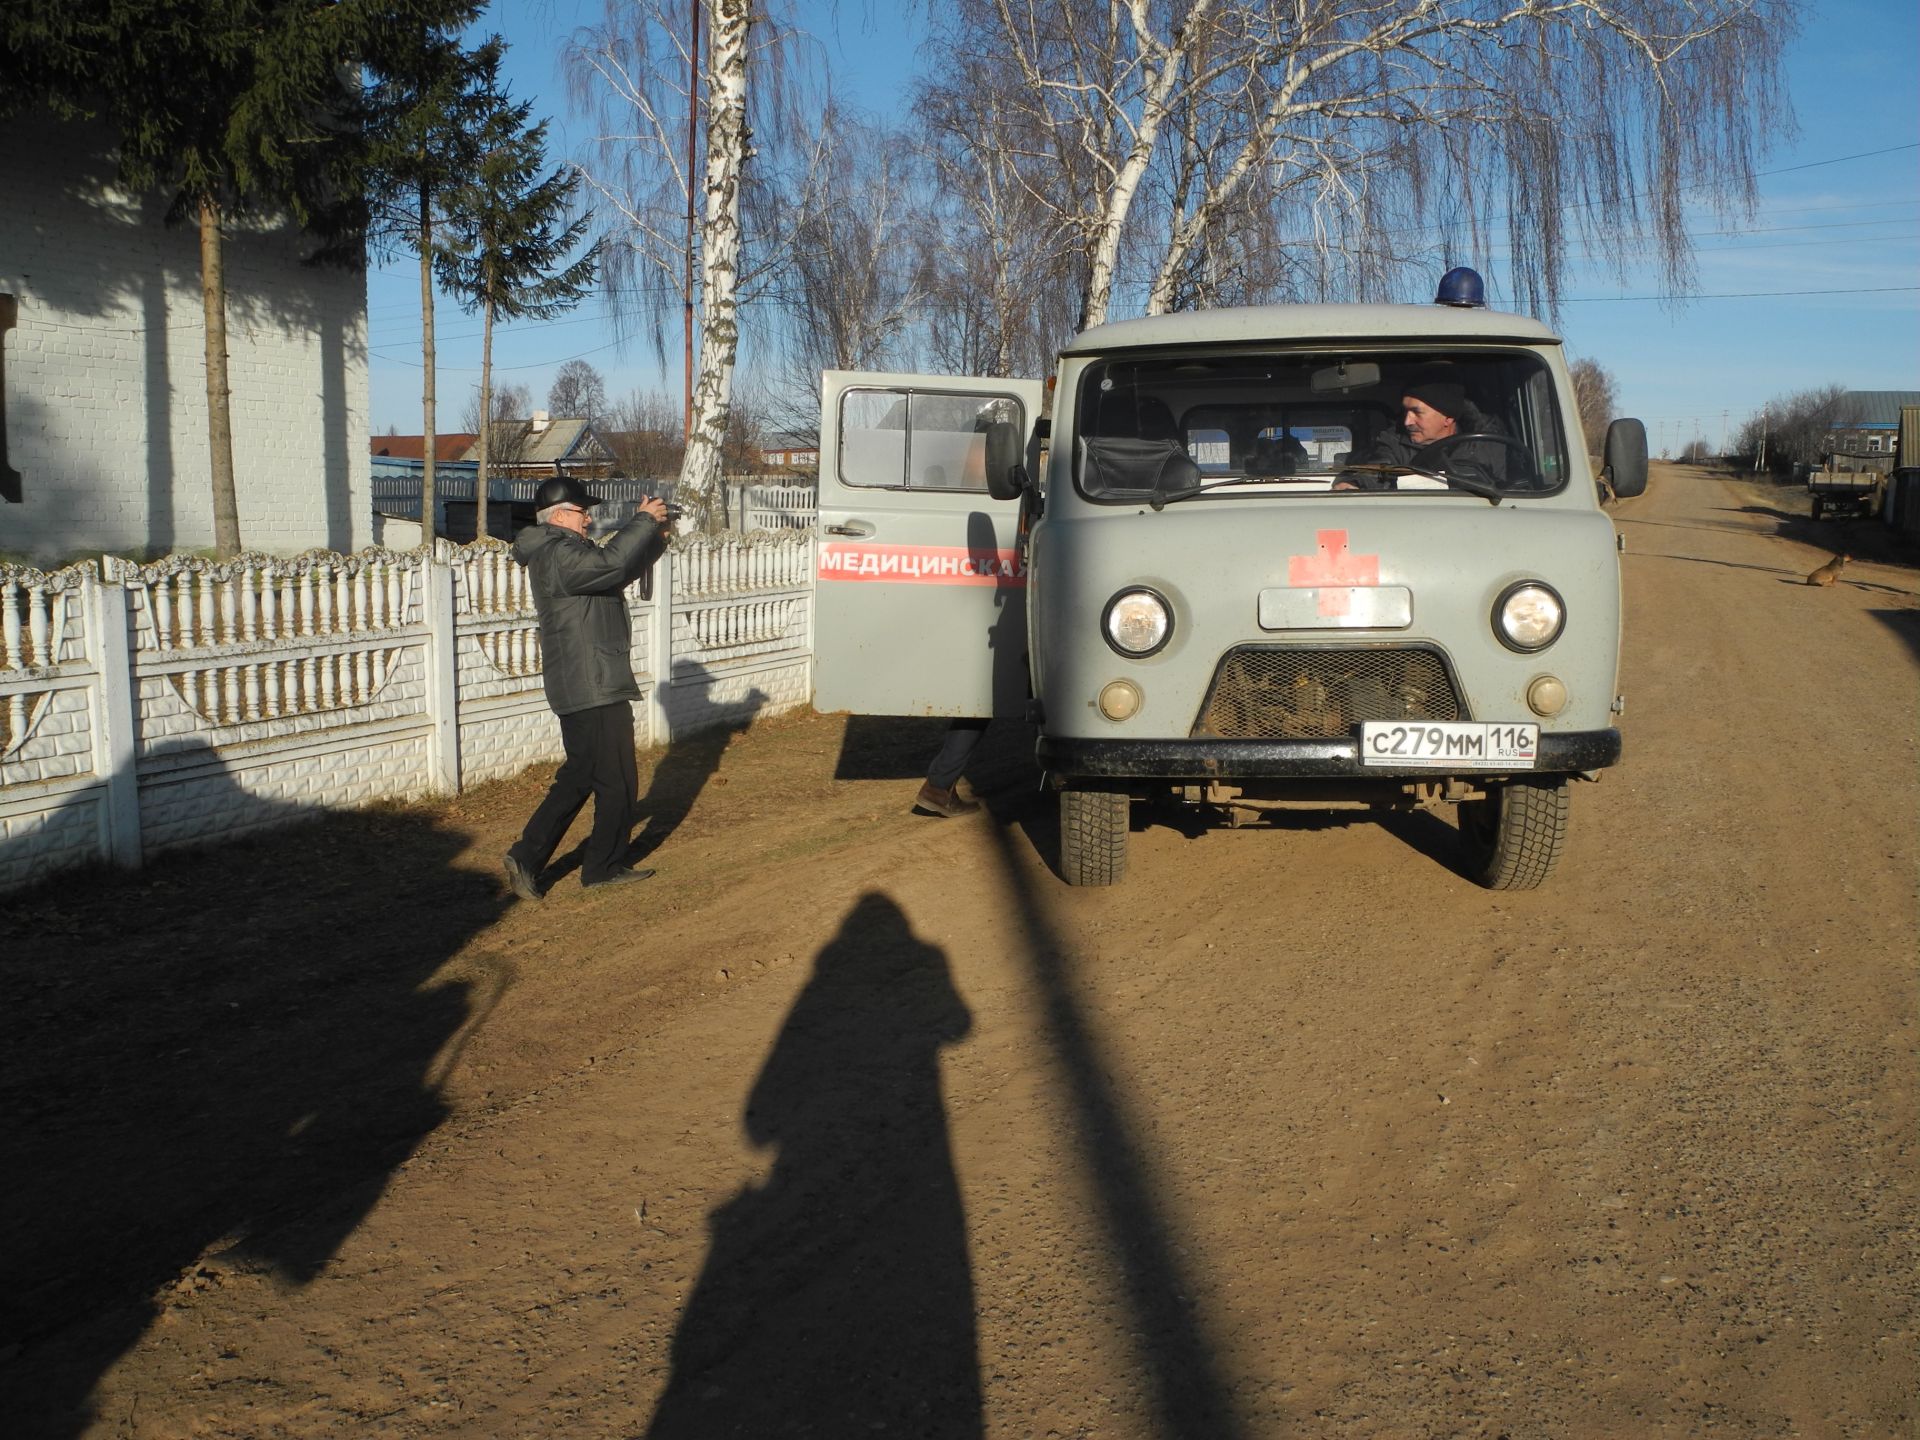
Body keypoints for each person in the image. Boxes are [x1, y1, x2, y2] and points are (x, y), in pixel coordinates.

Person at [503, 476, 670, 897]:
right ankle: (602, 867)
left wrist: (653, 536)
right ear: (559, 515)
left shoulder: (562, 552)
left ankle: (528, 856)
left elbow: (617, 569)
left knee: (581, 776)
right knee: (617, 780)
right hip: (591, 682)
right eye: (582, 511)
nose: (589, 518)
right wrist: (640, 521)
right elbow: (610, 566)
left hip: (587, 679)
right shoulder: (558, 553)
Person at [1338, 374, 1509, 489]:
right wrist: (1354, 483)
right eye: (1406, 411)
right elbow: (1378, 468)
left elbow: (1513, 488)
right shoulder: (1395, 442)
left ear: (1448, 417)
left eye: (1417, 412)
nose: (1407, 421)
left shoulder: (1488, 443)